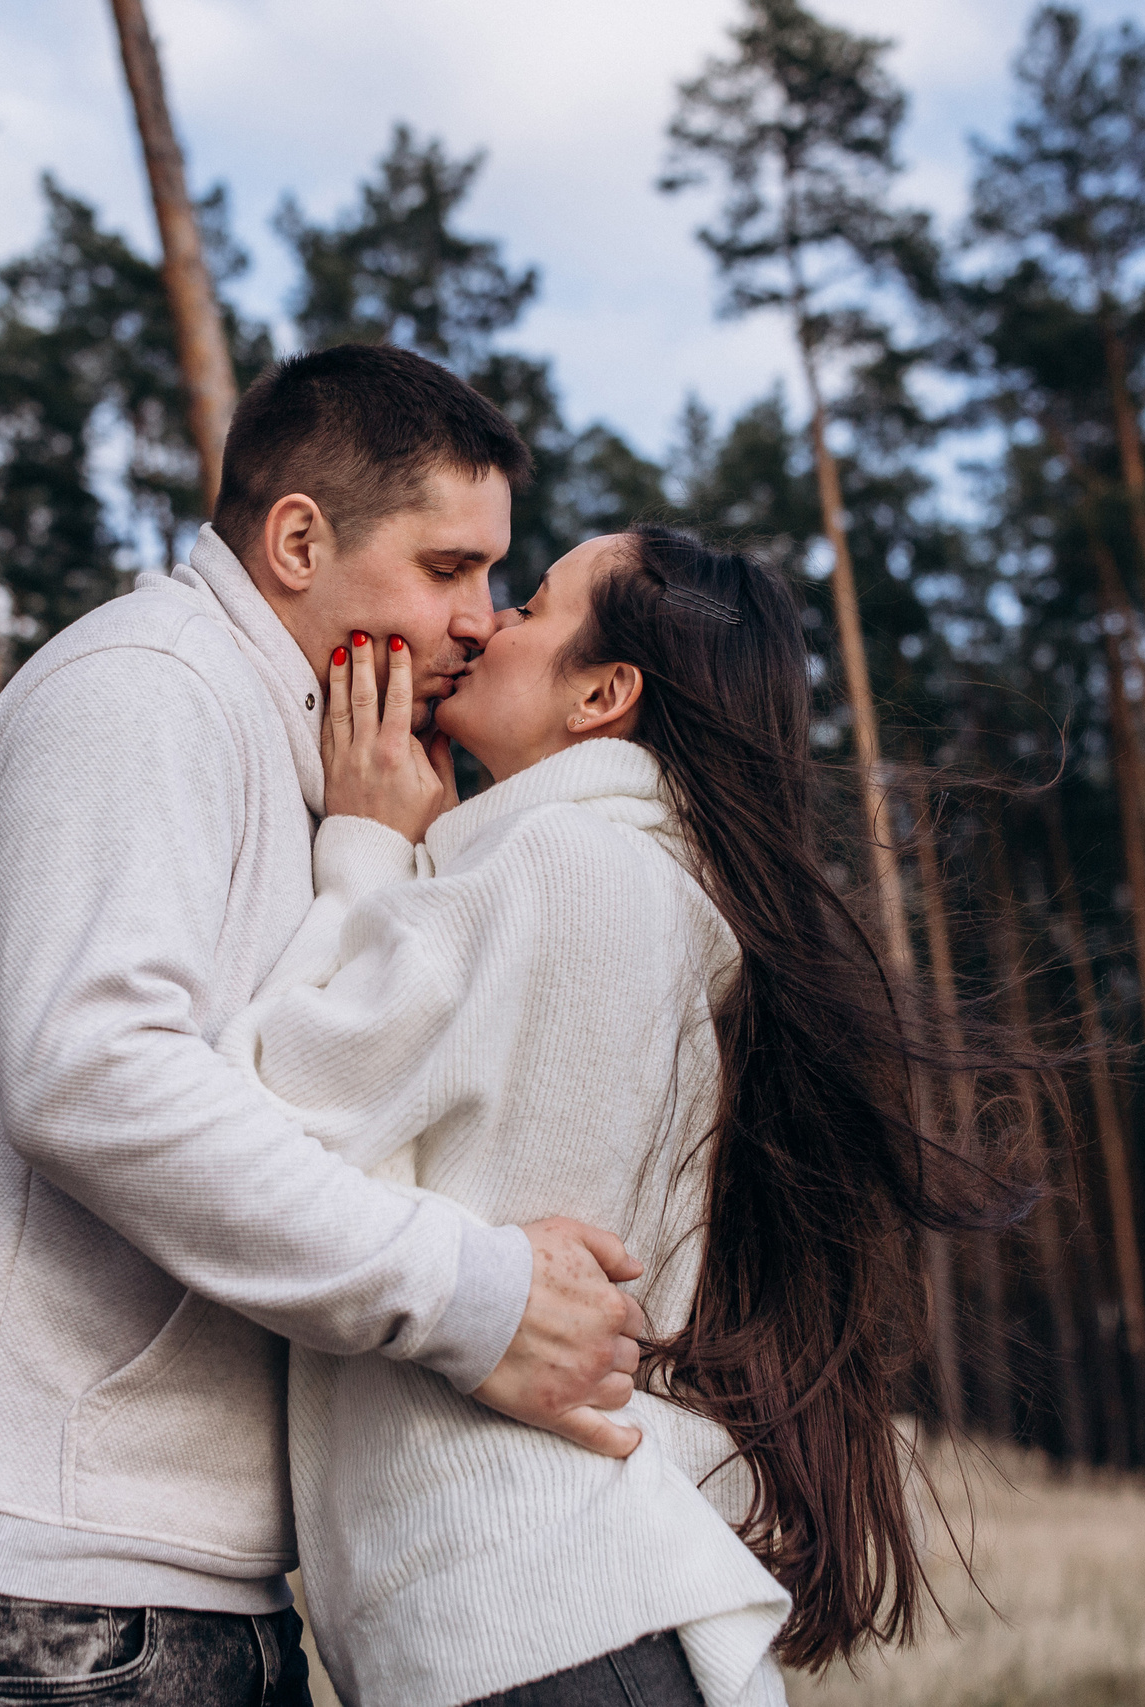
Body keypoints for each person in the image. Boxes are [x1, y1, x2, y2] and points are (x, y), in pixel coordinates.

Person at [0, 346, 655, 1707]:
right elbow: (96, 1075)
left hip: (151, 1595)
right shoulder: (145, 689)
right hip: (27, 1599)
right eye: (446, 568)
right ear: (298, 538)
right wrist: (477, 1296)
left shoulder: (305, 740)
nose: (480, 619)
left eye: (496, 576)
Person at [226, 527, 1036, 1706]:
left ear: (604, 693)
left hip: (534, 1625)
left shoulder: (561, 867)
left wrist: (360, 848)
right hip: (569, 1621)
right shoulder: (637, 881)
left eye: (533, 603)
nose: (486, 622)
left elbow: (259, 1117)